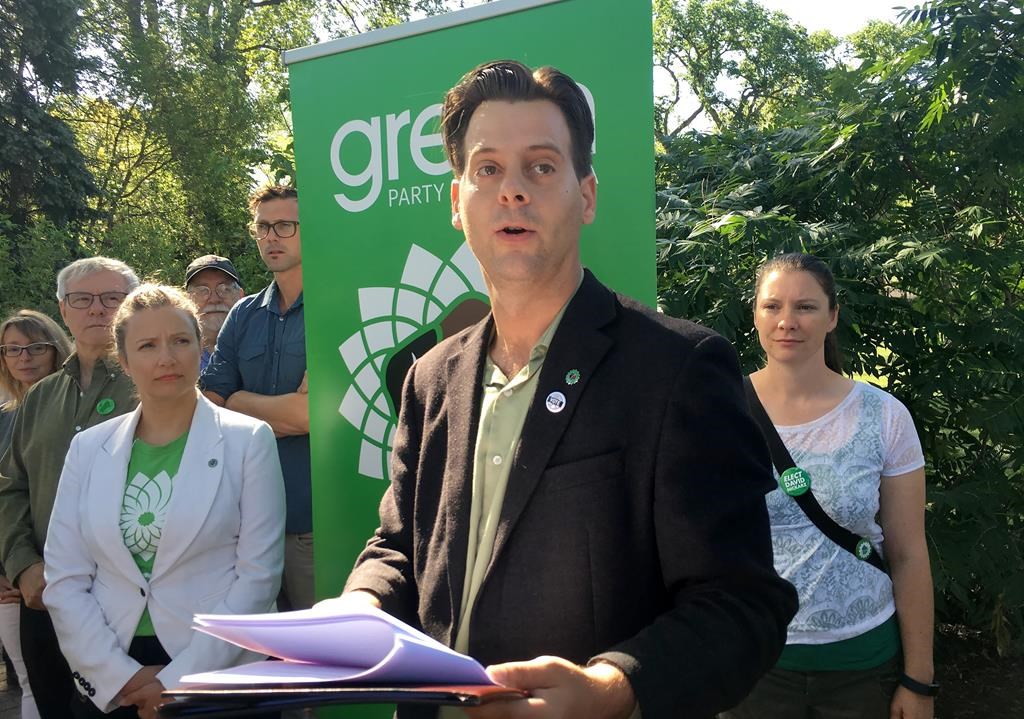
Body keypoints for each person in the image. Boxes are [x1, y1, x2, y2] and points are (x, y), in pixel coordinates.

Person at [333, 60, 797, 719]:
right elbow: (399, 546)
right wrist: (362, 605)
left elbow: (745, 602)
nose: (512, 191)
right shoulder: (429, 378)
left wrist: (615, 686)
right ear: (457, 202)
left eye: (541, 166)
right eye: (487, 168)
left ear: (586, 195)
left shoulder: (679, 367)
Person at [43, 284, 286, 719]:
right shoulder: (88, 449)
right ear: (125, 361)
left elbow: (258, 578)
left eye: (180, 341)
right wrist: (120, 677)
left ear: (200, 347)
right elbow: (65, 578)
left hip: (218, 674)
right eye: (148, 345)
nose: (167, 358)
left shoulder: (248, 439)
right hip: (115, 676)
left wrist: (176, 683)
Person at [721, 253, 935, 719]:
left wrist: (919, 681)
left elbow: (909, 554)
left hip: (862, 668)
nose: (787, 322)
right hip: (751, 665)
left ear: (832, 316)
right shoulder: (719, 415)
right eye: (772, 306)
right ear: (755, 313)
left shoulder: (884, 417)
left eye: (806, 307)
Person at [0, 257, 140, 719]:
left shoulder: (150, 387)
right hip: (44, 596)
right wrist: (22, 565)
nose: (97, 310)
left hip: (125, 603)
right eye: (82, 299)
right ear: (63, 310)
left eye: (112, 298)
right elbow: (10, 486)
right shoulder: (40, 397)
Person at [200, 185, 313, 611]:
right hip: (243, 525)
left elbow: (309, 415)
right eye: (263, 227)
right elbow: (210, 408)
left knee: (321, 661)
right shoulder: (242, 314)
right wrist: (273, 410)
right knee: (255, 663)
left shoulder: (334, 305)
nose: (271, 237)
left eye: (285, 226)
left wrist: (239, 402)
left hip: (309, 524)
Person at [0, 310, 72, 719]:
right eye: (12, 349)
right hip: (17, 577)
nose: (24, 358)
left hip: (67, 570)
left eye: (35, 347)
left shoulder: (69, 407)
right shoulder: (4, 416)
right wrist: (12, 567)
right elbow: (7, 494)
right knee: (32, 681)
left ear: (56, 349)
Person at [183, 255, 244, 372]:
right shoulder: (177, 356)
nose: (214, 299)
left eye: (225, 289)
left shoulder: (264, 346)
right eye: (202, 291)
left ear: (240, 296)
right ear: (187, 300)